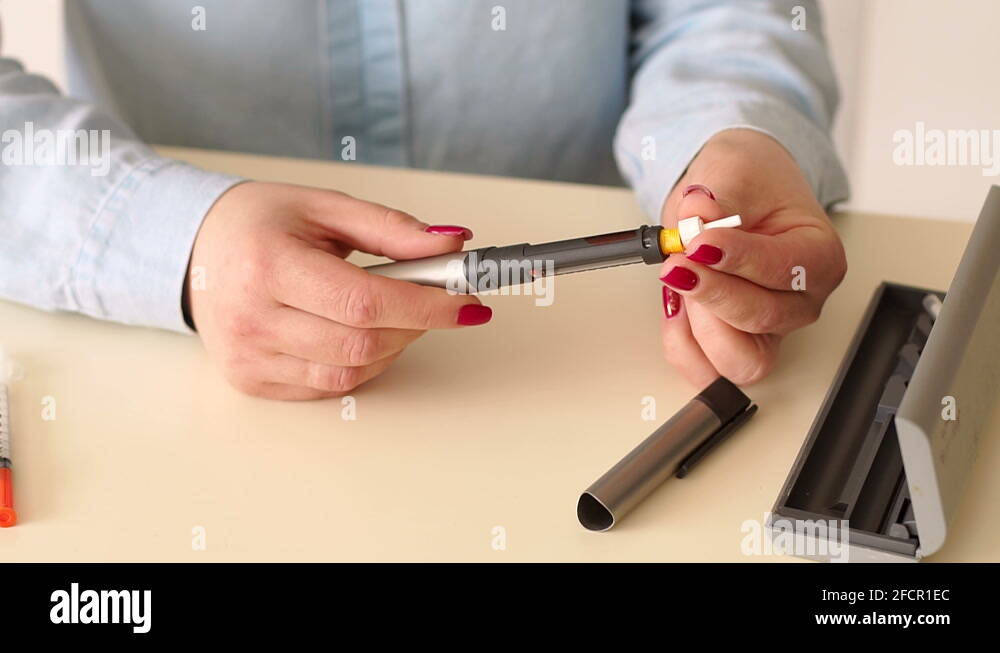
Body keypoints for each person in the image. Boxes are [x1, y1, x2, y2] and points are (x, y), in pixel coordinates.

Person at [0, 0, 848, 399]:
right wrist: (176, 240)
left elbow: (715, 13)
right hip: (155, 357)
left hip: (590, 354)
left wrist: (733, 136)